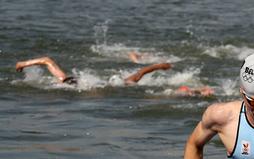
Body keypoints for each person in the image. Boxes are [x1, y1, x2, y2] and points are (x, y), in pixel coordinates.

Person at [15, 56, 172, 86]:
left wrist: (159, 66)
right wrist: (159, 66)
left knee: (51, 65)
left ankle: (26, 62)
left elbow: (141, 72)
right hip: (75, 85)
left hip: (76, 83)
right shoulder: (124, 84)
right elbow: (141, 73)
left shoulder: (122, 83)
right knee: (52, 67)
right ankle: (26, 62)